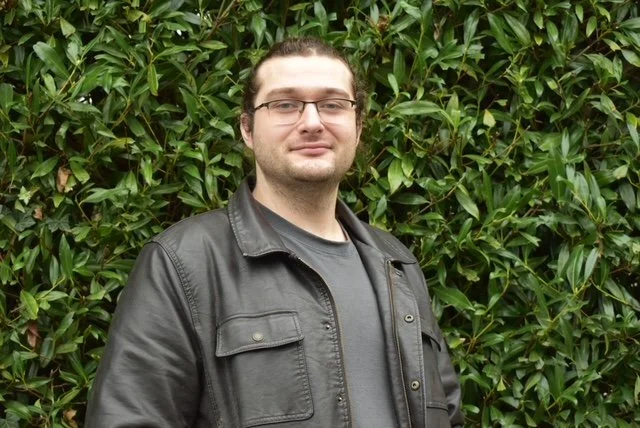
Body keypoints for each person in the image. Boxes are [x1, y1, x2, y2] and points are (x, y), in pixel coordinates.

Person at [85, 37, 463, 428]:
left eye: (333, 104)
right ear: (247, 129)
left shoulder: (396, 263)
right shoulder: (184, 262)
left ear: (358, 126)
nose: (312, 122)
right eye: (285, 104)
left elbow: (447, 414)